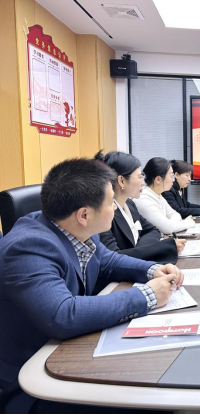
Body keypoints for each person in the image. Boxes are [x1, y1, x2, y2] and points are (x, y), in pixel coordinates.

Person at [0, 158, 184, 414]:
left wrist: (153, 269)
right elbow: (63, 314)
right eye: (110, 202)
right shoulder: (28, 246)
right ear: (84, 215)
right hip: (34, 382)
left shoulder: (73, 228)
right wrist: (147, 296)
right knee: (154, 402)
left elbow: (108, 261)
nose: (115, 207)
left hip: (68, 352)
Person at [95, 151, 184, 264]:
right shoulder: (104, 213)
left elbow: (153, 230)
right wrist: (159, 248)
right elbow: (113, 259)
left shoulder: (130, 204)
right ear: (121, 181)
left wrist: (137, 250)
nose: (143, 182)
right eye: (139, 177)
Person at [134, 157, 195, 236]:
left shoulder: (157, 195)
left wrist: (171, 224)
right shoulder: (143, 199)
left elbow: (175, 214)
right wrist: (188, 222)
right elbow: (167, 228)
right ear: (158, 179)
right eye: (171, 176)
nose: (173, 180)